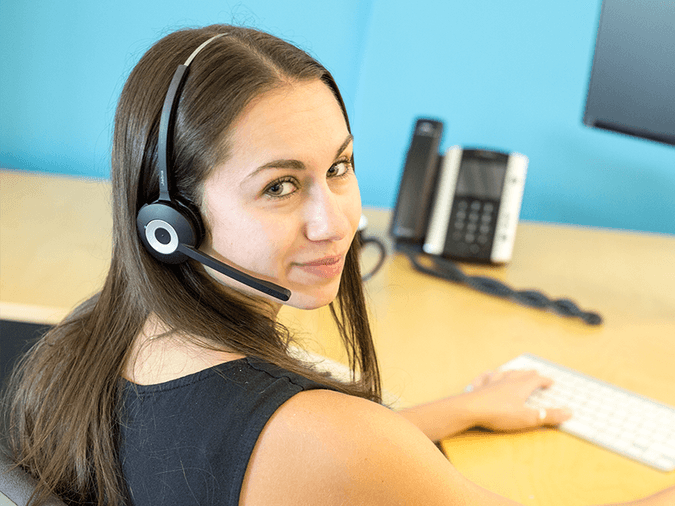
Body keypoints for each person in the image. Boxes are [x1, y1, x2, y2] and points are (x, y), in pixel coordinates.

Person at [3, 24, 673, 506]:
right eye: (279, 186)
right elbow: (327, 458)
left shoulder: (92, 340)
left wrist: (456, 410)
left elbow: (288, 462)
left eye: (339, 166)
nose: (338, 222)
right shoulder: (321, 439)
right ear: (169, 222)